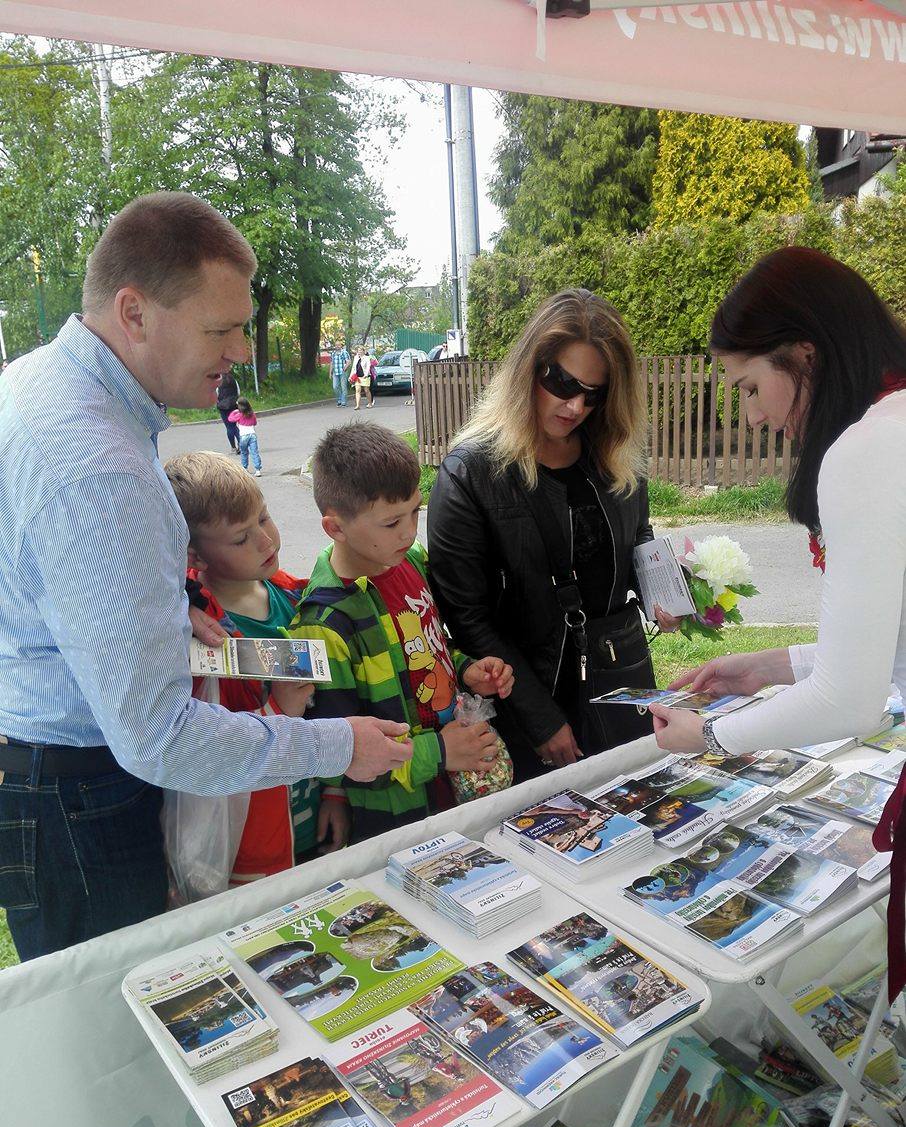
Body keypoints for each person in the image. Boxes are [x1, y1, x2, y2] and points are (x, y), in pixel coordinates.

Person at [0, 191, 412, 962]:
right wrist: (334, 746)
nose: (239, 353)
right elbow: (159, 736)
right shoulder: (95, 468)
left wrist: (144, 604)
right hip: (79, 794)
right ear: (134, 313)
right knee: (121, 1013)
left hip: (54, 773)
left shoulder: (45, 385)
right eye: (219, 330)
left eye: (241, 328)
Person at [646, 247, 906, 1000]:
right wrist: (769, 666)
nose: (753, 416)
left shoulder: (868, 449)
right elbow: (889, 640)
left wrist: (710, 736)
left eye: (751, 387)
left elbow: (849, 699)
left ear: (805, 353)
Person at [427, 288, 679, 783]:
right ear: (530, 369)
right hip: (523, 700)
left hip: (616, 682)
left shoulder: (614, 456)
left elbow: (635, 543)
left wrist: (664, 591)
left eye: (594, 393)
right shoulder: (470, 472)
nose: (576, 405)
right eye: (563, 383)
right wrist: (540, 718)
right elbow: (466, 616)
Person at [288, 422, 514, 843]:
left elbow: (427, 648)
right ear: (335, 528)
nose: (409, 531)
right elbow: (341, 755)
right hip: (399, 819)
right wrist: (440, 753)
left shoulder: (408, 562)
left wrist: (465, 669)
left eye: (415, 511)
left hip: (453, 786)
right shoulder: (324, 627)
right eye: (391, 522)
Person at [165, 451, 349, 879]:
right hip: (251, 846)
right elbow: (208, 744)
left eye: (264, 518)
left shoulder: (296, 596)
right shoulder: (200, 639)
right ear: (195, 556)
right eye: (240, 539)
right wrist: (279, 709)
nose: (266, 541)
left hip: (315, 810)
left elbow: (333, 704)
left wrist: (336, 791)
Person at [229, 395, 263, 476]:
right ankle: (258, 469)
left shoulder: (239, 415)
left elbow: (230, 419)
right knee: (254, 452)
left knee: (244, 453)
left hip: (243, 436)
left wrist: (234, 412)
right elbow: (255, 423)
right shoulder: (252, 414)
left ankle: (245, 468)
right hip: (252, 435)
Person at [216, 367, 241, 451]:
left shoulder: (218, 382)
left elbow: (216, 394)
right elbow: (238, 392)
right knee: (234, 426)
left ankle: (233, 447)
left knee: (229, 427)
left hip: (223, 407)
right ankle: (241, 443)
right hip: (234, 405)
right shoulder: (234, 380)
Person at [349, 345, 373, 410]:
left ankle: (370, 403)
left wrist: (366, 374)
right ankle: (357, 405)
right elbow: (353, 368)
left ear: (363, 351)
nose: (359, 352)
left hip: (365, 376)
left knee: (366, 390)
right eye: (358, 350)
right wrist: (350, 376)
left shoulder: (367, 358)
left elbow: (368, 367)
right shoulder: (356, 358)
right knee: (357, 390)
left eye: (360, 350)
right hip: (357, 377)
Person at [330, 340, 350, 407]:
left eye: (338, 345)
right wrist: (330, 373)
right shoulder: (333, 354)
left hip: (343, 372)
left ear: (341, 346)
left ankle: (343, 402)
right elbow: (332, 363)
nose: (337, 346)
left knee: (343, 387)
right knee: (335, 387)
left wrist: (345, 368)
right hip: (335, 372)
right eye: (336, 345)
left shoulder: (344, 352)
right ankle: (339, 399)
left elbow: (348, 361)